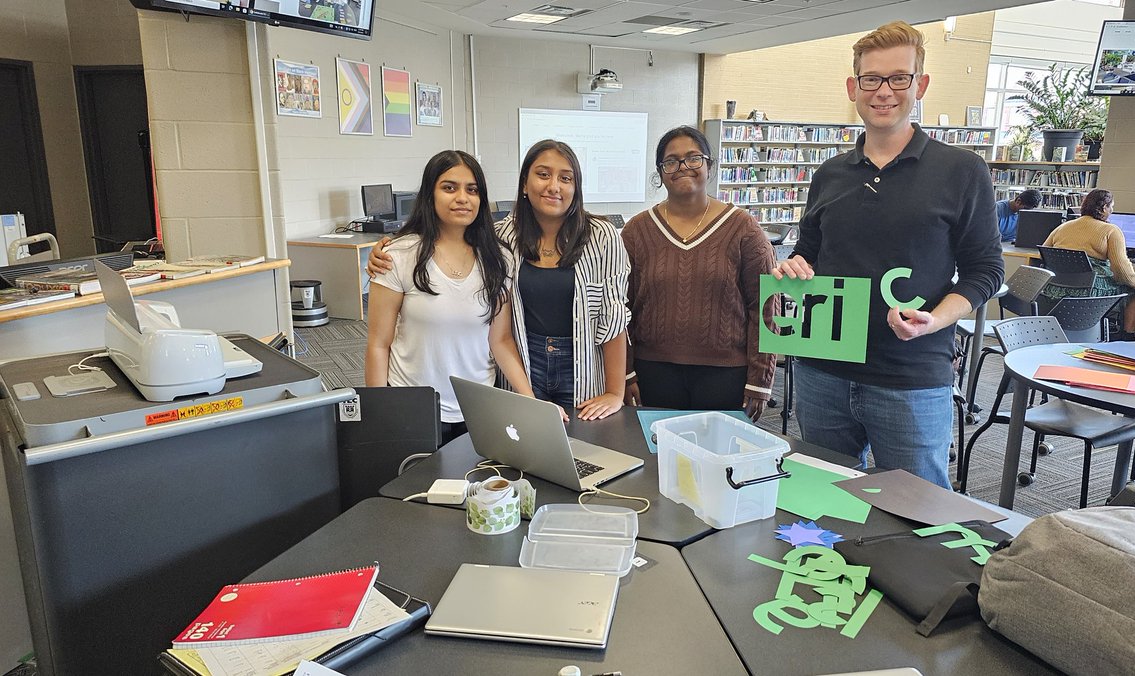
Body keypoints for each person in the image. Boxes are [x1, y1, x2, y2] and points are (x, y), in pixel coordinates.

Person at [771, 21, 1004, 488]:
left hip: (910, 374)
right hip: (823, 370)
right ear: (853, 87)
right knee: (823, 499)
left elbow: (986, 270)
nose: (884, 92)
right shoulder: (830, 173)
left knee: (917, 514)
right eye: (872, 79)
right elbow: (810, 254)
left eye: (899, 78)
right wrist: (792, 267)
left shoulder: (962, 170)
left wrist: (936, 320)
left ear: (920, 85)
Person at [367, 140, 629, 421]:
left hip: (581, 362)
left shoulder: (602, 236)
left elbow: (613, 319)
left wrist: (616, 392)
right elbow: (379, 341)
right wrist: (384, 249)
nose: (554, 186)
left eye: (566, 178)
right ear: (524, 184)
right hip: (523, 359)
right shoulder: (500, 239)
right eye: (543, 174)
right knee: (524, 446)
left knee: (584, 446)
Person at [364, 150, 535, 443]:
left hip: (476, 406)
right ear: (430, 195)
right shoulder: (399, 255)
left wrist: (531, 401)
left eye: (472, 190)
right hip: (413, 405)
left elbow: (500, 340)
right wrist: (380, 411)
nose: (462, 198)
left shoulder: (498, 258)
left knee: (473, 486)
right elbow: (379, 344)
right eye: (449, 187)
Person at [621, 125, 778, 420]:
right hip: (653, 372)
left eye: (693, 158)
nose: (683, 167)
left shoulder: (743, 228)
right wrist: (626, 372)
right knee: (656, 460)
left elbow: (766, 306)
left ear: (709, 164)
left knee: (719, 461)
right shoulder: (636, 231)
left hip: (726, 374)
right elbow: (621, 308)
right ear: (661, 171)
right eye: (671, 161)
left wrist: (760, 379)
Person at [1041, 188, 1135, 340]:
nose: (1112, 211)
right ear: (1104, 208)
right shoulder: (1111, 230)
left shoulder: (1063, 226)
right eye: (1111, 207)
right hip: (1090, 288)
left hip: (1055, 287)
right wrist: (1134, 282)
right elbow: (1120, 269)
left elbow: (1044, 252)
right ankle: (1128, 336)